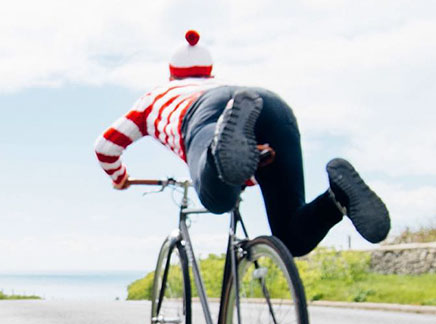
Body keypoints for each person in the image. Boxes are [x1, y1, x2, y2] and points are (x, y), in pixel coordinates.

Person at [94, 30, 390, 257]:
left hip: (204, 112)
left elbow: (106, 147)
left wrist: (121, 179)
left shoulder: (156, 97)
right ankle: (337, 199)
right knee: (291, 239)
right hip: (271, 105)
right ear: (209, 71)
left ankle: (221, 159)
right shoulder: (220, 82)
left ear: (171, 73)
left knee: (218, 199)